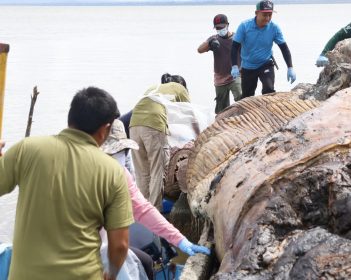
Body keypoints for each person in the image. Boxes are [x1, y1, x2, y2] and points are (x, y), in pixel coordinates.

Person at [0, 87, 134, 280]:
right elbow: (120, 245)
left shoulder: (26, 149)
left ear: (70, 118)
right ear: (105, 129)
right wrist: (111, 274)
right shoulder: (112, 171)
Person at [101, 119, 211, 279]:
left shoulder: (122, 175)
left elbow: (143, 209)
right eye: (111, 153)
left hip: (108, 243)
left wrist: (180, 240)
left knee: (145, 262)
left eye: (122, 152)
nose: (117, 158)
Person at [130, 73, 190, 211]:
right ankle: (155, 211)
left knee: (142, 172)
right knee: (158, 170)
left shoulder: (154, 88)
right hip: (153, 125)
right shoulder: (179, 88)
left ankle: (142, 212)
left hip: (134, 125)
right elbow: (190, 114)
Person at [230, 0, 296, 99]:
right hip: (248, 66)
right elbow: (234, 47)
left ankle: (269, 113)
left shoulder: (274, 28)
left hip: (265, 63)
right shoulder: (244, 26)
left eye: (270, 15)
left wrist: (290, 67)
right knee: (247, 96)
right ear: (256, 13)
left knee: (268, 91)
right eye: (265, 15)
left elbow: (284, 48)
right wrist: (234, 66)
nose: (268, 18)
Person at [197, 14, 242, 113]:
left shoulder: (237, 38)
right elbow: (199, 50)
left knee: (240, 98)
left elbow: (248, 51)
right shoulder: (214, 39)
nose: (220, 29)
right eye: (217, 28)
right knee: (221, 108)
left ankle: (244, 119)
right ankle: (222, 124)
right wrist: (210, 43)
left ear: (227, 25)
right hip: (220, 78)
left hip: (235, 75)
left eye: (222, 27)